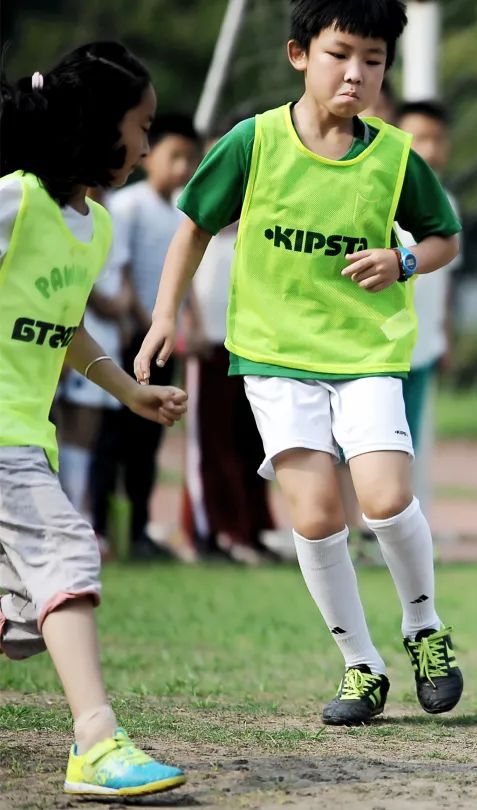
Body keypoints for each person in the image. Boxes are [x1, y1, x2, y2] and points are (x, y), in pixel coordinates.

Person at [135, 0, 464, 725]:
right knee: (313, 517)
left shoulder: (394, 155)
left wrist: (404, 257)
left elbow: (444, 239)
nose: (356, 74)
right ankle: (360, 666)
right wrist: (165, 315)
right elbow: (192, 227)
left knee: (381, 497)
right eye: (341, 54)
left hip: (367, 354)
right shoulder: (253, 142)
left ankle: (424, 628)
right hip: (275, 359)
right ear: (298, 54)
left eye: (373, 61)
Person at [0, 42, 187, 797]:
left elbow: (65, 327)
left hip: (26, 440)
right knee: (70, 551)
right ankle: (97, 744)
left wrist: (126, 390)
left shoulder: (95, 227)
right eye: (140, 126)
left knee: (19, 620)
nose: (146, 142)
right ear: (95, 126)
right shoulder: (14, 200)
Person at [88, 114, 200, 558]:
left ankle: (137, 528)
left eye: (190, 158)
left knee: (148, 440)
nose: (183, 166)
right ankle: (100, 527)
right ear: (151, 154)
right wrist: (142, 319)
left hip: (162, 337)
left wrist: (181, 320)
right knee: (113, 436)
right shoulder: (129, 204)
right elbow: (125, 269)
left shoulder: (180, 210)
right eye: (175, 155)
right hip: (132, 335)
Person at [181, 130, 276, 564]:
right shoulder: (194, 212)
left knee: (255, 442)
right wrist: (189, 326)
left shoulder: (268, 207)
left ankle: (253, 528)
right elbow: (180, 279)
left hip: (254, 345)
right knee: (212, 440)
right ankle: (211, 531)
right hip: (210, 345)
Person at [53, 186, 133, 526]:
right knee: (69, 425)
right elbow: (75, 281)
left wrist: (123, 308)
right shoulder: (51, 206)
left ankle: (78, 514)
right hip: (70, 336)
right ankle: (71, 513)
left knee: (89, 429)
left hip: (101, 338)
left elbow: (121, 269)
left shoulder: (106, 213)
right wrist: (109, 306)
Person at [396, 99, 460, 510]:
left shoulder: (447, 203)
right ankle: (355, 528)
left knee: (407, 442)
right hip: (378, 346)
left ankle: (388, 527)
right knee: (364, 444)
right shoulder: (380, 193)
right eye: (419, 138)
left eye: (437, 139)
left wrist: (445, 333)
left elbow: (447, 276)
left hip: (423, 346)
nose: (430, 148)